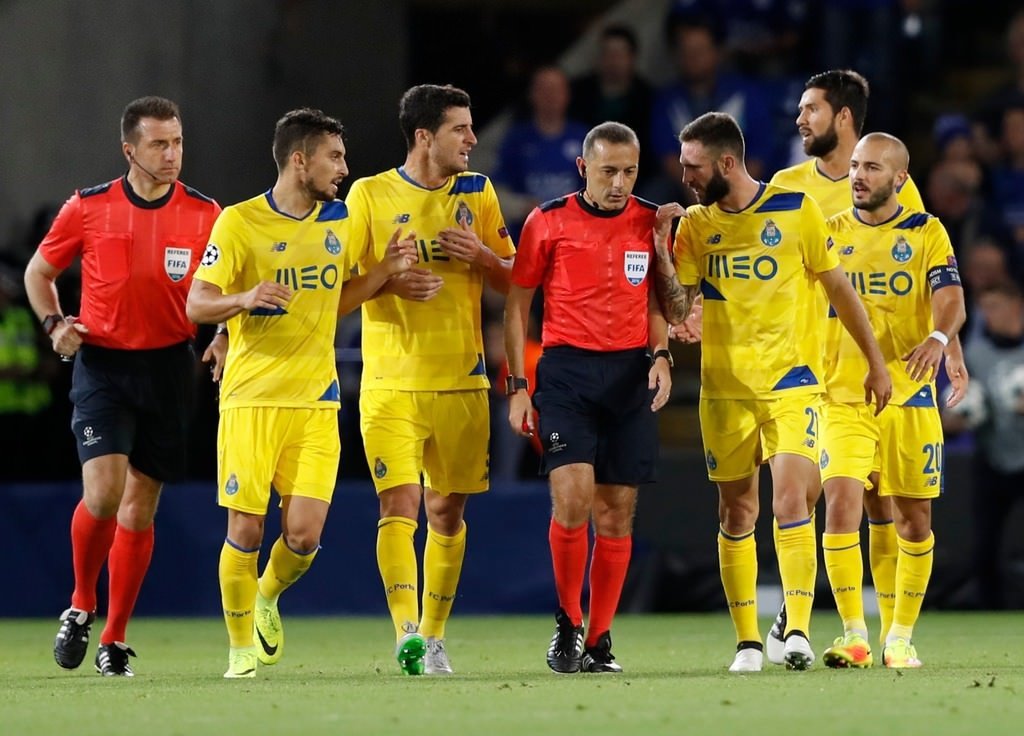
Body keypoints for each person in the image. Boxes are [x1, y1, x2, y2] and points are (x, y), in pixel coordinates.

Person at [652, 112, 891, 673]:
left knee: (790, 501)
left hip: (794, 384)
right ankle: (747, 643)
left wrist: (875, 364)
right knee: (737, 511)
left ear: (727, 163)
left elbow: (842, 291)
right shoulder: (695, 226)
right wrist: (664, 250)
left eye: (693, 166)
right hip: (726, 390)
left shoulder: (795, 210)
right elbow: (679, 308)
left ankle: (799, 631)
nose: (683, 175)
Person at [185, 108, 417, 679]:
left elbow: (333, 299)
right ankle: (240, 650)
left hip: (315, 401)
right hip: (250, 399)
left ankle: (265, 594)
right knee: (245, 530)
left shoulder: (340, 222)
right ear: (299, 159)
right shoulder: (239, 223)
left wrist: (384, 270)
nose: (343, 167)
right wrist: (238, 306)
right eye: (333, 156)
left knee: (305, 536)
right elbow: (197, 302)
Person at [23, 96, 220, 677]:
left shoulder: (207, 213)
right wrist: (55, 324)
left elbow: (231, 280)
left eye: (178, 142)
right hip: (103, 365)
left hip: (169, 368)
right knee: (105, 494)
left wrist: (227, 331)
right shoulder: (88, 207)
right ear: (129, 149)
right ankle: (82, 603)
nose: (172, 154)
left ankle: (113, 639)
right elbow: (40, 272)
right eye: (159, 144)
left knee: (140, 508)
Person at [765, 68, 940, 665]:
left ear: (842, 117)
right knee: (821, 496)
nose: (800, 119)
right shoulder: (788, 187)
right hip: (811, 373)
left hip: (889, 378)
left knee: (883, 505)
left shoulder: (904, 200)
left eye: (810, 108)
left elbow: (928, 272)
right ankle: (811, 617)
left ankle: (892, 632)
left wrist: (948, 343)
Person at [344, 84, 515, 676]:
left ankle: (436, 636)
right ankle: (407, 633)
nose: (472, 139)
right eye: (460, 130)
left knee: (447, 513)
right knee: (400, 505)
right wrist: (387, 282)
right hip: (390, 382)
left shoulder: (478, 192)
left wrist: (484, 259)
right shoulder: (368, 195)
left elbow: (514, 280)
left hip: (462, 380)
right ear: (424, 136)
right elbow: (337, 290)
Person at [505, 121, 671, 675]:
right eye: (608, 171)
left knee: (617, 512)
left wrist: (662, 354)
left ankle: (600, 639)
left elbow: (654, 302)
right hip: (566, 374)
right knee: (572, 499)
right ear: (584, 169)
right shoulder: (546, 220)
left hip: (629, 372)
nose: (620, 182)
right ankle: (567, 624)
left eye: (629, 171)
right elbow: (516, 306)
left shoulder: (650, 222)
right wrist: (518, 386)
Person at [819, 132, 966, 667]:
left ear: (900, 179)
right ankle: (855, 635)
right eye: (855, 165)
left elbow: (950, 296)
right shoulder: (828, 233)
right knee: (841, 504)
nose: (859, 175)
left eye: (873, 168)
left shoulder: (926, 232)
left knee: (912, 521)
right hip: (843, 395)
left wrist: (940, 339)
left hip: (909, 399)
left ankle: (899, 636)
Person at [942, 281, 1024, 609]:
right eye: (984, 308)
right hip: (992, 458)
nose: (987, 315)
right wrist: (960, 418)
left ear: (1017, 305)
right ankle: (990, 608)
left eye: (995, 306)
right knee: (984, 544)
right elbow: (951, 419)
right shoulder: (974, 353)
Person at [493, 66, 589, 240]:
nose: (550, 95)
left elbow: (599, 190)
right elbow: (497, 190)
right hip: (526, 237)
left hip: (573, 237)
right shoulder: (517, 139)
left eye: (555, 89)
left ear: (567, 94)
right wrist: (522, 207)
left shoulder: (584, 138)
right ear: (532, 94)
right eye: (544, 89)